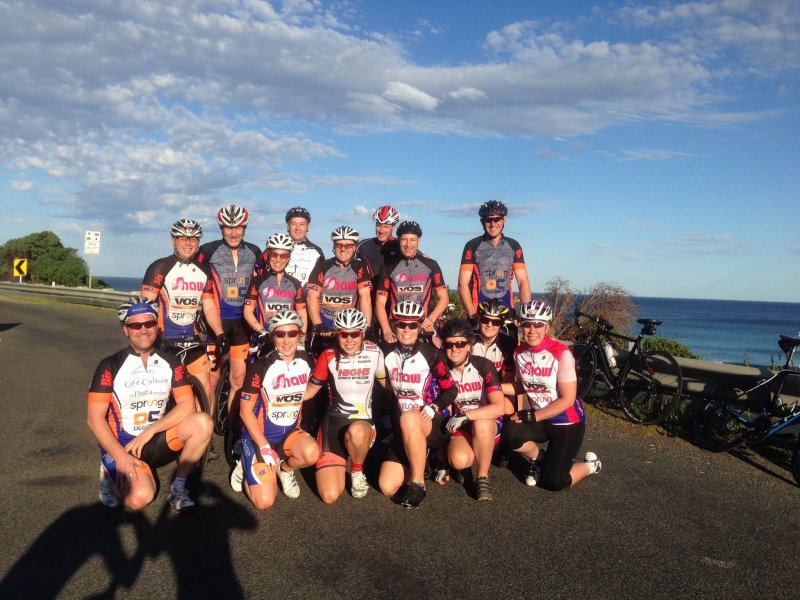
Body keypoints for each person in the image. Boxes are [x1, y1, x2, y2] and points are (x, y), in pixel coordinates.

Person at [88, 297, 213, 512]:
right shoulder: (109, 365)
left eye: (149, 323)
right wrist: (120, 456)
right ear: (126, 330)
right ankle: (108, 473)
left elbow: (187, 405)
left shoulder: (171, 362)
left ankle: (178, 486)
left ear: (157, 326)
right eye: (136, 325)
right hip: (125, 446)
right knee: (139, 498)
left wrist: (150, 431)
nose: (143, 330)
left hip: (156, 439)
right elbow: (94, 419)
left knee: (203, 422)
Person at [500, 300, 601, 491]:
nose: (532, 330)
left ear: (547, 327)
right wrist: (494, 387)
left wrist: (532, 416)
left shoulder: (561, 353)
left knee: (554, 482)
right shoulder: (519, 352)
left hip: (567, 422)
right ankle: (539, 458)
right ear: (520, 325)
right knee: (509, 435)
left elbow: (567, 399)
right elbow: (522, 386)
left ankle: (591, 465)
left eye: (538, 325)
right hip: (541, 419)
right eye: (527, 324)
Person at [229, 310, 320, 510]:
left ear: (300, 335)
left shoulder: (307, 360)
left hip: (289, 434)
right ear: (273, 337)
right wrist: (263, 446)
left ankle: (285, 470)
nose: (286, 340)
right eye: (280, 334)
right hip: (258, 436)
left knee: (311, 453)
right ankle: (245, 461)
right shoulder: (261, 366)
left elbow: (310, 391)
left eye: (292, 334)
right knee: (264, 501)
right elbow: (245, 411)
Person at [378, 301, 458, 508]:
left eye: (412, 325)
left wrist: (434, 406)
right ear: (394, 325)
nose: (407, 330)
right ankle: (421, 460)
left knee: (409, 419)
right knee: (387, 486)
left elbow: (451, 390)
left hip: (430, 421)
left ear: (419, 326)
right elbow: (386, 384)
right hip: (404, 425)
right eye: (401, 324)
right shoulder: (386, 353)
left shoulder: (432, 354)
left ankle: (418, 483)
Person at [303, 308, 388, 503]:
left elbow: (387, 384)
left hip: (362, 425)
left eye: (354, 334)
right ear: (337, 334)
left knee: (357, 431)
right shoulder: (328, 356)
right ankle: (346, 455)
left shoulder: (375, 352)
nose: (349, 340)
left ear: (362, 333)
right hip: (333, 424)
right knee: (330, 496)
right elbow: (309, 392)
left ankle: (357, 470)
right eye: (344, 334)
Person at [141, 219, 226, 405]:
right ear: (173, 240)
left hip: (191, 340)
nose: (188, 243)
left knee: (207, 389)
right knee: (162, 395)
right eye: (183, 238)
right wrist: (149, 338)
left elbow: (209, 306)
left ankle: (203, 424)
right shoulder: (160, 267)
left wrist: (220, 333)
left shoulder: (204, 270)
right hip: (164, 341)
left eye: (193, 239)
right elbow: (145, 308)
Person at [196, 205, 263, 432]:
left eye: (238, 228)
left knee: (238, 380)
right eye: (228, 228)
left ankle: (232, 432)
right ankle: (204, 431)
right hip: (216, 321)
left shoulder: (254, 252)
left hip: (242, 324)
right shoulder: (208, 250)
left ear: (245, 228)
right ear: (221, 228)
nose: (233, 233)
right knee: (211, 381)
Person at [437, 318, 507, 501]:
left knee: (481, 425)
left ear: (469, 345)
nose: (454, 349)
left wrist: (467, 415)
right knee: (459, 460)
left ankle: (482, 477)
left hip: (486, 421)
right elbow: (442, 411)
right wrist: (442, 458)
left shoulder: (483, 365)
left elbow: (499, 407)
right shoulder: (442, 369)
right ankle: (473, 453)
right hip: (459, 424)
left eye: (460, 343)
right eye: (449, 344)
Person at [375, 221, 449, 345]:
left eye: (412, 240)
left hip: (423, 325)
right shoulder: (388, 268)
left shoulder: (431, 265)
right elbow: (380, 303)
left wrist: (431, 319)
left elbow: (444, 298)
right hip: (397, 327)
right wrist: (386, 330)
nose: (408, 244)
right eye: (404, 239)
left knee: (438, 349)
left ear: (418, 240)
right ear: (399, 240)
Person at [458, 200, 532, 322]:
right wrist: (472, 314)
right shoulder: (472, 245)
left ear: (504, 220)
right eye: (488, 220)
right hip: (479, 313)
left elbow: (523, 281)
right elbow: (462, 284)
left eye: (497, 219)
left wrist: (526, 314)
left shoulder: (513, 245)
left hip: (507, 312)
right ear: (482, 222)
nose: (493, 224)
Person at [305, 226, 372, 345]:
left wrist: (365, 327)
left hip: (349, 324)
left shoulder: (359, 267)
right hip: (325, 322)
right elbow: (311, 297)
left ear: (354, 247)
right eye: (339, 245)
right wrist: (318, 324)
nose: (343, 249)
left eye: (348, 245)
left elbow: (365, 298)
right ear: (333, 246)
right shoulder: (322, 266)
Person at [243, 232, 307, 354]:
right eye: (274, 254)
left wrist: (301, 340)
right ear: (268, 255)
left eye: (283, 256)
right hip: (264, 337)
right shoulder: (257, 281)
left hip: (287, 339)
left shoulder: (295, 283)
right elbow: (247, 312)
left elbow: (302, 314)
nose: (278, 259)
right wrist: (262, 332)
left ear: (288, 258)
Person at [355, 205, 401, 313]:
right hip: (367, 301)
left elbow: (421, 260)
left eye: (386, 227)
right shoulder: (363, 245)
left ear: (393, 227)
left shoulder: (401, 246)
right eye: (379, 225)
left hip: (392, 303)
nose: (381, 230)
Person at [284, 206, 325, 288]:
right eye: (293, 224)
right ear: (288, 226)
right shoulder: (276, 249)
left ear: (307, 227)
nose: (297, 228)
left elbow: (321, 278)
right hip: (281, 294)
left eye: (302, 224)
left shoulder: (317, 252)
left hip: (307, 295)